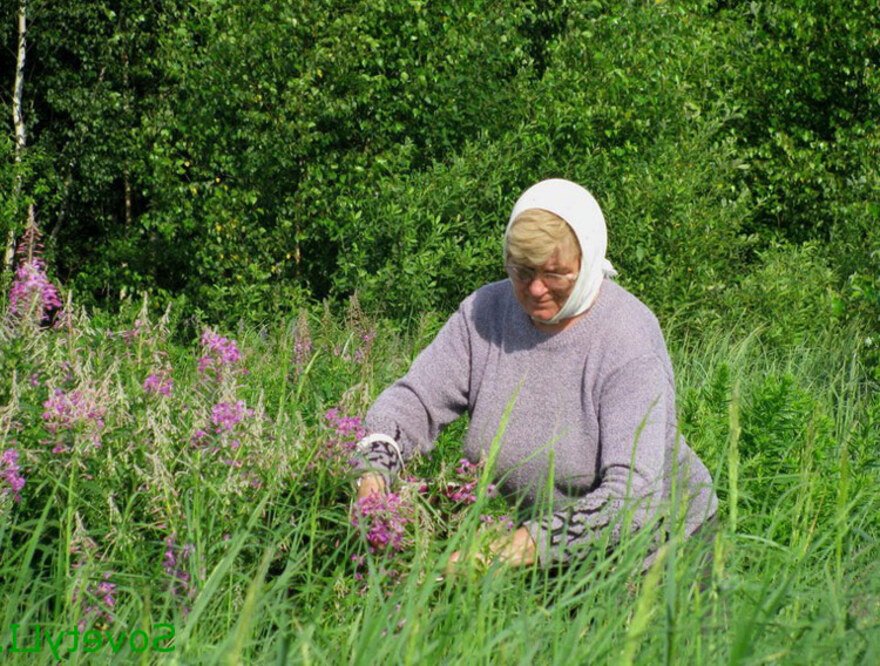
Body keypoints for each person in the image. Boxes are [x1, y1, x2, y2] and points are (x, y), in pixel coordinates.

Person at [353, 178, 718, 570]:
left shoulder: (627, 339)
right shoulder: (486, 313)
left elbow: (632, 498)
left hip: (653, 553)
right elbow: (413, 402)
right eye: (522, 271)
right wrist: (374, 474)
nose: (536, 288)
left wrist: (503, 552)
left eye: (556, 273)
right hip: (532, 547)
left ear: (589, 260)